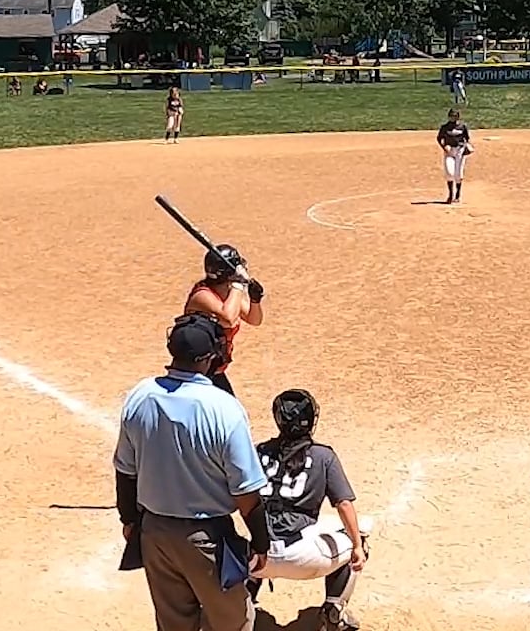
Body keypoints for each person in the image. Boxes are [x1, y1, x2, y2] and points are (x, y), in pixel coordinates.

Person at [114, 314, 271, 631]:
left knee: (173, 624)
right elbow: (245, 492)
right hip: (207, 539)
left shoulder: (140, 395)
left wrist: (129, 521)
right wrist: (261, 542)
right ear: (210, 356)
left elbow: (125, 471)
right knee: (233, 623)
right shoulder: (223, 408)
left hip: (155, 533)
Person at [251, 390, 370, 631]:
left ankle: (242, 606)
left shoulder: (258, 451)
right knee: (360, 534)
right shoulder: (323, 456)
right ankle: (334, 610)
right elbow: (344, 504)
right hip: (303, 556)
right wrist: (357, 545)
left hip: (256, 556)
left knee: (245, 539)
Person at [184, 245, 264, 396]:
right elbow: (228, 318)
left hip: (215, 370)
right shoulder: (202, 295)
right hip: (195, 372)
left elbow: (254, 320)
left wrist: (255, 300)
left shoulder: (228, 292)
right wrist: (238, 285)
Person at [436, 108, 472, 204]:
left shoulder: (463, 127)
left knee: (458, 174)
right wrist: (444, 147)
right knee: (449, 173)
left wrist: (467, 147)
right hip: (449, 151)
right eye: (451, 116)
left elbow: (467, 138)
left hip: (460, 150)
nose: (453, 118)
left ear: (458, 117)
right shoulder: (445, 127)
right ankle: (450, 194)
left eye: (455, 116)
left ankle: (457, 194)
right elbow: (439, 138)